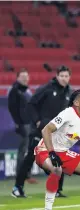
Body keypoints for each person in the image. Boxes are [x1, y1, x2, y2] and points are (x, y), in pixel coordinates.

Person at [12, 66, 72, 198]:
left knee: (59, 159)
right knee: (30, 158)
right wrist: (38, 121)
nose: (64, 79)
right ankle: (17, 187)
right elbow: (31, 104)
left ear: (69, 77)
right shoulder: (46, 89)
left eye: (66, 76)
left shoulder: (69, 93)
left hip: (57, 133)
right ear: (56, 76)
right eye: (61, 76)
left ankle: (57, 190)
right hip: (40, 131)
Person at [7, 69, 37, 183]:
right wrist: (18, 123)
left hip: (29, 123)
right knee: (23, 150)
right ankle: (20, 174)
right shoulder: (15, 90)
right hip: (23, 124)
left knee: (28, 149)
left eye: (26, 76)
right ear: (17, 78)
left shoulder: (26, 90)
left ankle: (26, 174)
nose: (25, 78)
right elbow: (12, 108)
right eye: (22, 76)